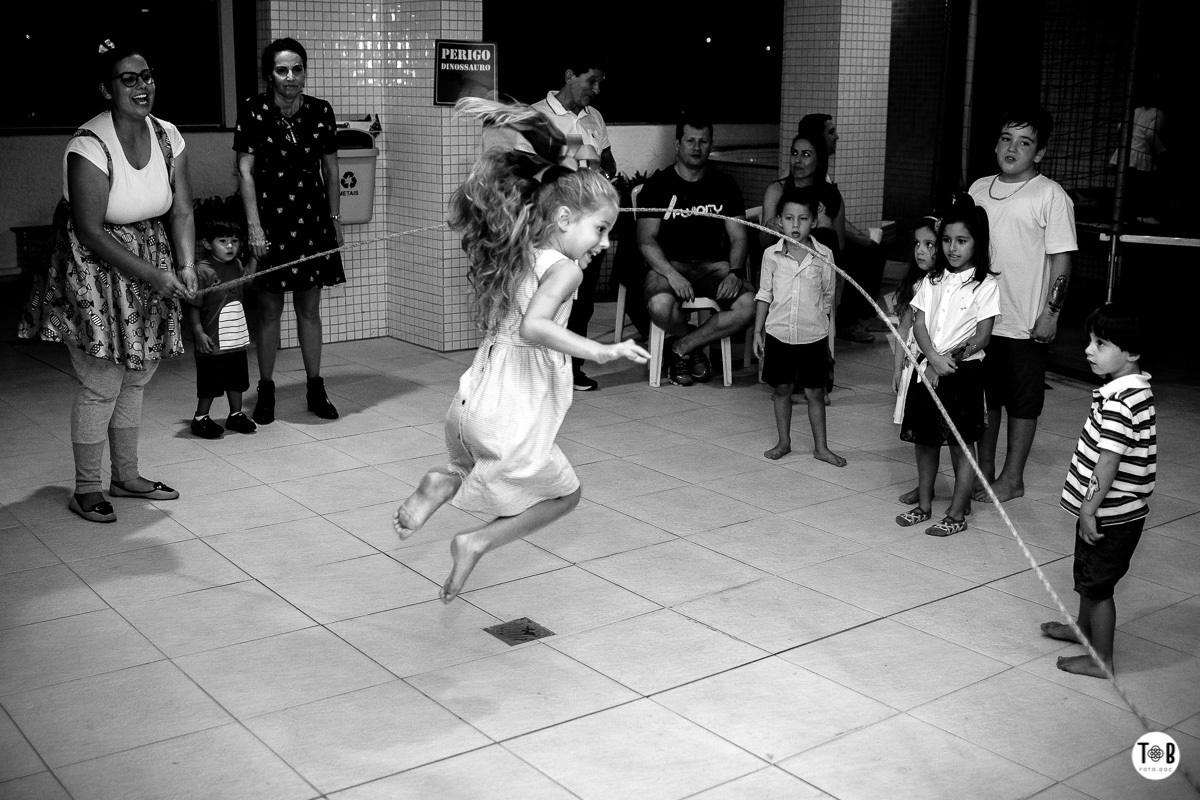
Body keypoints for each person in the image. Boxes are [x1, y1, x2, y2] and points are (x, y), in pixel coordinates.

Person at [391, 99, 649, 602]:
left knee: (474, 464)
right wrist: (599, 352)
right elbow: (535, 327)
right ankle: (475, 541)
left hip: (473, 399)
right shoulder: (566, 270)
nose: (604, 243)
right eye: (599, 229)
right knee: (566, 495)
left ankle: (445, 483)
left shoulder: (522, 247)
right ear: (564, 217)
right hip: (512, 406)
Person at [19, 41, 196, 523]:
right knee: (102, 380)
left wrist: (183, 264)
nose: (143, 86)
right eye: (129, 79)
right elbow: (91, 231)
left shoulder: (168, 136)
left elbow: (182, 208)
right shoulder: (88, 145)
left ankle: (126, 475)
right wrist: (155, 274)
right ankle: (85, 488)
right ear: (106, 88)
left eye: (148, 76)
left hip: (150, 256)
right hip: (94, 267)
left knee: (137, 375)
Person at [968, 104, 1077, 504]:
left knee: (1022, 402)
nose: (1012, 149)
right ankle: (985, 470)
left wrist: (1051, 314)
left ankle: (1013, 478)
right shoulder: (978, 189)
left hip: (1024, 321)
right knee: (985, 399)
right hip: (980, 319)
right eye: (1006, 139)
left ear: (1040, 152)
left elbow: (1062, 259)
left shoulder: (1050, 195)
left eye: (1025, 143)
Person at [1041, 302, 1155, 678]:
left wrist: (1088, 510)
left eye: (1101, 343)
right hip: (1109, 510)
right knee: (1088, 577)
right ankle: (1082, 629)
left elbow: (1108, 462)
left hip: (1109, 514)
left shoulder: (1120, 402)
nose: (1089, 350)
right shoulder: (1132, 389)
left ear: (1131, 352)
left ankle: (1101, 659)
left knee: (1098, 588)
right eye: (1090, 340)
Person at [235, 37, 343, 425]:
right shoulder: (254, 110)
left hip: (312, 220)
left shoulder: (320, 111)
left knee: (309, 308)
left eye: (297, 69)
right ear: (270, 75)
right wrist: (254, 228)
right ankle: (266, 390)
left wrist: (335, 220)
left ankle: (316, 388)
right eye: (282, 70)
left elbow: (331, 169)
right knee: (268, 311)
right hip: (269, 220)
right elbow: (245, 170)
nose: (291, 77)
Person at [895, 195, 999, 536]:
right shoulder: (932, 280)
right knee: (925, 439)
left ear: (977, 243)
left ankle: (956, 513)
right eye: (947, 240)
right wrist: (931, 359)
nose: (953, 248)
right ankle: (924, 505)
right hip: (928, 367)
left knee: (961, 442)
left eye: (962, 241)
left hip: (962, 372)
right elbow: (919, 325)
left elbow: (981, 337)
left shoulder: (986, 285)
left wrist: (945, 362)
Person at [638, 115, 755, 386]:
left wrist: (735, 272)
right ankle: (692, 342)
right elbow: (646, 240)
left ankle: (682, 347)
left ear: (710, 145)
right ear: (677, 144)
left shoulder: (725, 184)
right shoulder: (658, 185)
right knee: (659, 306)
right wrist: (671, 274)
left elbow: (738, 237)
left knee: (749, 305)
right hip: (669, 265)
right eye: (690, 141)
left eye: (703, 141)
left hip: (714, 266)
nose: (696, 147)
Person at [532, 56, 616, 391]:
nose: (596, 89)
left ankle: (571, 369)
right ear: (569, 76)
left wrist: (599, 171)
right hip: (551, 226)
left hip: (586, 227)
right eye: (591, 81)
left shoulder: (595, 117)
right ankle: (539, 370)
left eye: (599, 83)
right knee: (548, 296)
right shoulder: (537, 116)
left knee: (583, 299)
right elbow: (524, 172)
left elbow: (608, 162)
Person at [753, 187, 845, 466]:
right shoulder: (771, 255)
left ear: (814, 222)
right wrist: (757, 331)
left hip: (812, 336)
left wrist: (822, 329)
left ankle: (821, 448)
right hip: (779, 334)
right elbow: (764, 294)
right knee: (781, 389)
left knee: (815, 392)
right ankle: (784, 442)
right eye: (789, 218)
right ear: (779, 221)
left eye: (803, 219)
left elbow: (828, 296)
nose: (795, 225)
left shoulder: (824, 255)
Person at [760, 131, 841, 401]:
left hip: (819, 265)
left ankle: (819, 368)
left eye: (806, 154)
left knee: (823, 292)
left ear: (819, 159)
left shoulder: (829, 194)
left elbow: (838, 240)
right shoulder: (777, 190)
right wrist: (773, 226)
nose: (798, 160)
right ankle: (788, 374)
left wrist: (820, 240)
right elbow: (763, 239)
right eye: (794, 153)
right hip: (781, 262)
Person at [798, 113, 887, 344]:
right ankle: (849, 319)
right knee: (867, 253)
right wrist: (857, 238)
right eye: (831, 132)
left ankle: (861, 314)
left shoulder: (824, 177)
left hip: (827, 238)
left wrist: (857, 234)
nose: (837, 137)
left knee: (871, 248)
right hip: (811, 244)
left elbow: (833, 215)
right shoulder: (800, 177)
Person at [186, 214, 257, 439]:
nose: (230, 246)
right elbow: (193, 305)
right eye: (223, 241)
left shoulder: (236, 265)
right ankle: (200, 418)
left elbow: (248, 279)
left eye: (234, 241)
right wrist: (198, 332)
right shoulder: (203, 270)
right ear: (208, 244)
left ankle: (235, 415)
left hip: (235, 338)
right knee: (210, 383)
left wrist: (255, 256)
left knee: (237, 380)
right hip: (213, 341)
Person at [893, 215, 938, 500]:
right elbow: (904, 327)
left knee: (951, 436)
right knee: (922, 434)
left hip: (937, 366)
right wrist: (897, 368)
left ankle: (963, 490)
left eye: (929, 244)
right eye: (917, 244)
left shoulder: (944, 286)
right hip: (915, 369)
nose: (920, 250)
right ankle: (925, 487)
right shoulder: (916, 284)